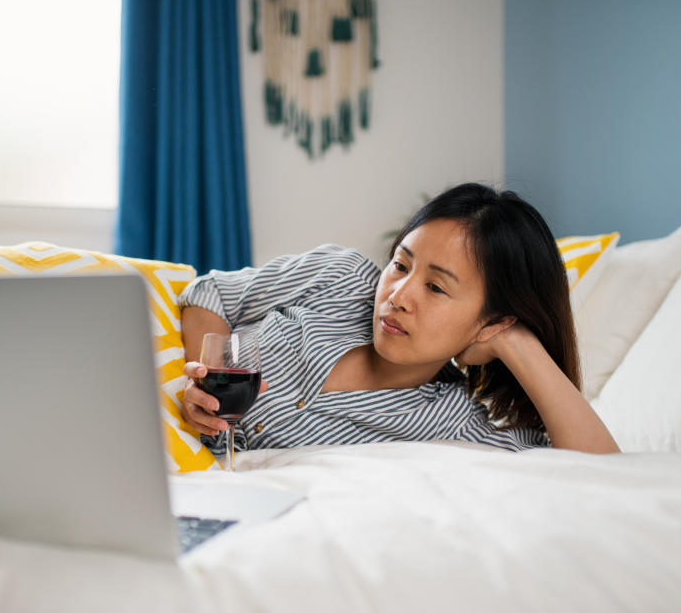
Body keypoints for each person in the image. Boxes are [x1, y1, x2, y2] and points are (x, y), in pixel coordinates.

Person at [179, 183, 620, 456]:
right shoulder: (340, 276)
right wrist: (207, 379)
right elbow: (210, 292)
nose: (398, 296)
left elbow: (596, 467)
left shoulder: (452, 420)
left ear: (491, 321)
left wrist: (516, 342)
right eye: (401, 265)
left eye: (436, 287)